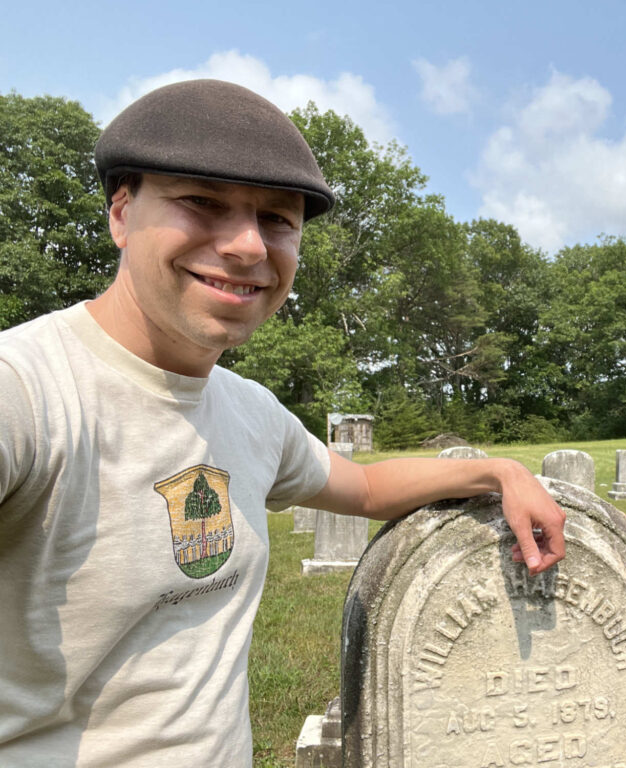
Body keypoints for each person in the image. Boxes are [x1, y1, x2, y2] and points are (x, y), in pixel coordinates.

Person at [0, 79, 565, 767]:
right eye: (201, 203)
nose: (245, 246)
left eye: (276, 219)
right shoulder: (27, 389)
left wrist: (497, 469)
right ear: (121, 213)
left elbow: (361, 488)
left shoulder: (248, 410)